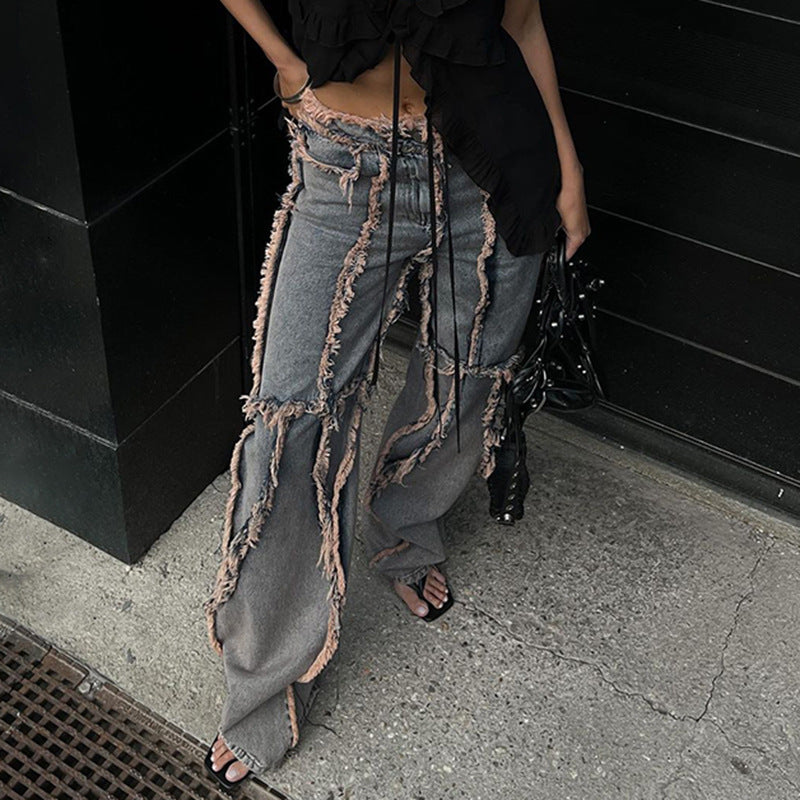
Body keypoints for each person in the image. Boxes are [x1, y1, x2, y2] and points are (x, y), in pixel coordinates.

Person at [202, 0, 590, 789]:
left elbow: (522, 19)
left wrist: (568, 163)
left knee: (468, 369)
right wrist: (286, 61)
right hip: (345, 163)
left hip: (489, 159)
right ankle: (267, 681)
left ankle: (403, 526)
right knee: (291, 422)